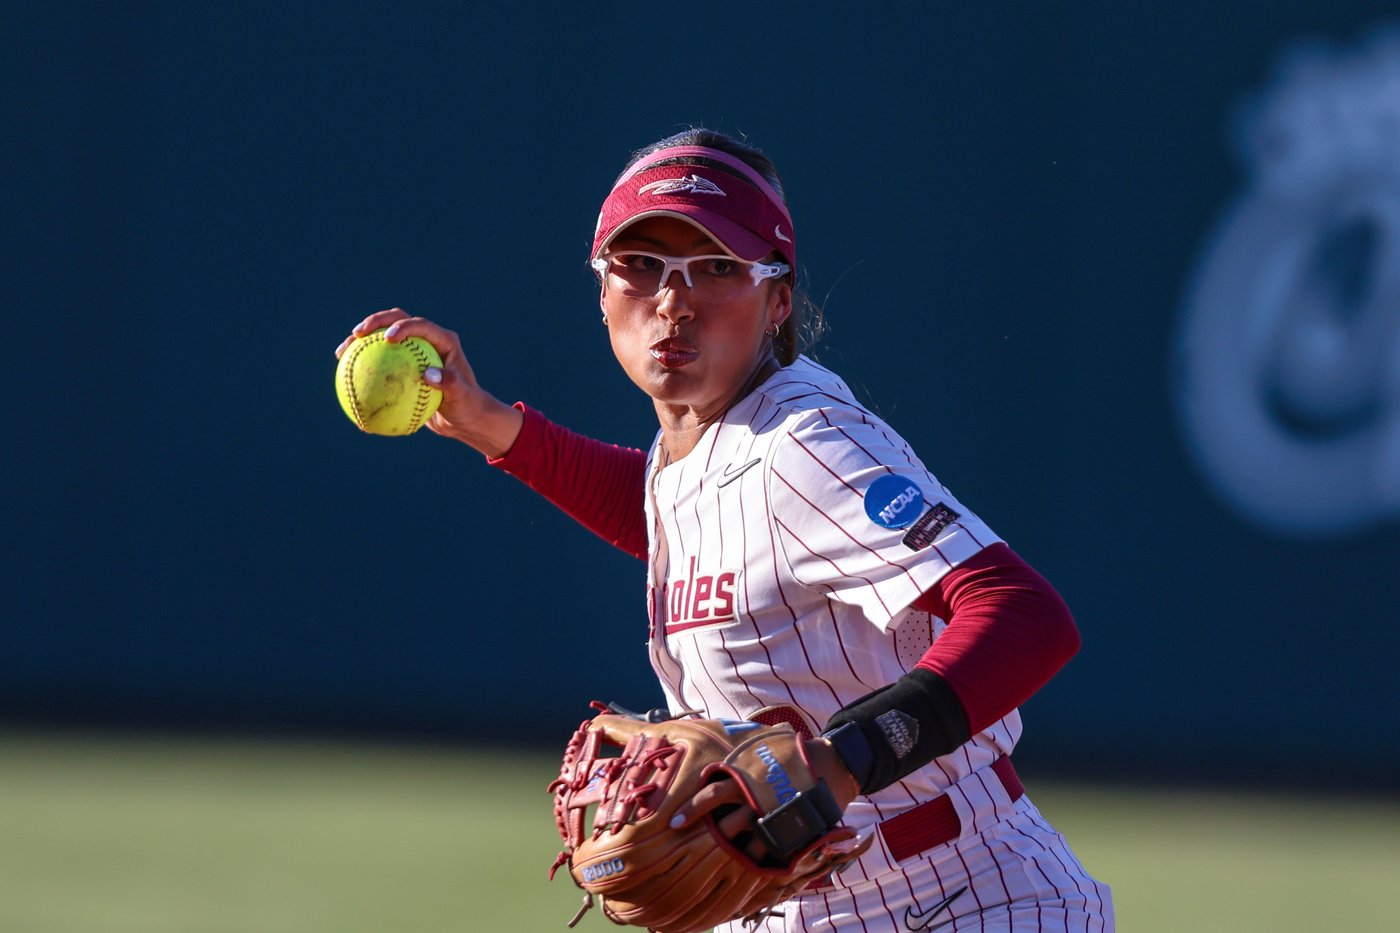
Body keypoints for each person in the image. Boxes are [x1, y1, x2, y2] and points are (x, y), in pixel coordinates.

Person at [335, 128, 1114, 932]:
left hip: (962, 896)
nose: (673, 301)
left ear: (778, 300)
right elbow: (687, 515)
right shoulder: (707, 442)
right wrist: (489, 423)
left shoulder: (803, 444)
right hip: (795, 905)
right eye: (641, 265)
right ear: (601, 290)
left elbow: (1026, 615)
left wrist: (849, 755)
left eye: (716, 268)